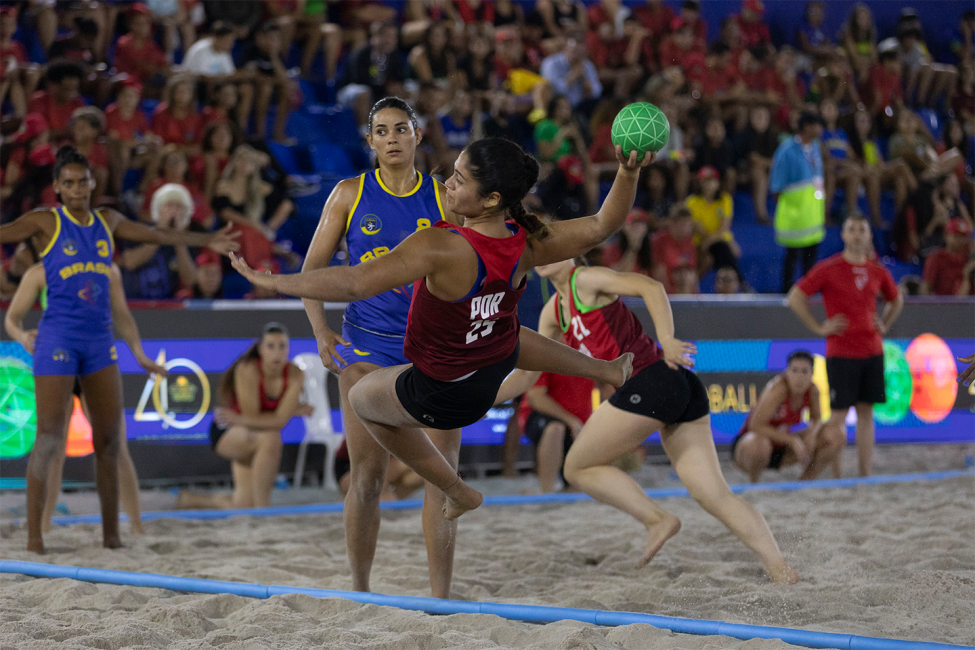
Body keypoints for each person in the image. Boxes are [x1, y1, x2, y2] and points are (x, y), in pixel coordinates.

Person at [293, 98, 635, 599]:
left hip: (436, 348)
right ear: (369, 141)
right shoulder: (349, 195)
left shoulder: (448, 197)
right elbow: (317, 275)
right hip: (367, 343)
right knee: (366, 476)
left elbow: (513, 249)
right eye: (381, 131)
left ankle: (441, 596)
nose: (391, 139)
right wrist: (322, 332)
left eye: (401, 129)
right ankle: (359, 589)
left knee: (443, 475)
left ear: (416, 137)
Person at [230, 135, 651, 527]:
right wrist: (628, 172)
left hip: (443, 394)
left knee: (360, 396)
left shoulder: (439, 245)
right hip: (488, 375)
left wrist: (274, 282)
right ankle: (604, 370)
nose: (446, 182)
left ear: (491, 199)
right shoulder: (526, 240)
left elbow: (353, 283)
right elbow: (602, 225)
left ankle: (458, 490)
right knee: (503, 327)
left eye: (459, 179)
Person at [495, 259, 799, 584]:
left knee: (577, 467)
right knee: (714, 495)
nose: (549, 255)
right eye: (544, 248)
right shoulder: (552, 312)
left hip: (649, 381)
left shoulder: (583, 278)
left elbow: (650, 286)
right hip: (676, 385)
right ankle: (782, 571)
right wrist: (481, 399)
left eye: (556, 247)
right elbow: (527, 375)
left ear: (572, 252)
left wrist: (667, 339)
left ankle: (656, 520)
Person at [0, 146, 238, 553]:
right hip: (57, 340)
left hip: (99, 343)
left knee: (110, 442)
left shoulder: (107, 221)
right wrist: (21, 335)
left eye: (83, 181)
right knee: (50, 440)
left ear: (93, 183)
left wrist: (206, 238)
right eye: (69, 183)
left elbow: (158, 235)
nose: (77, 189)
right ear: (57, 188)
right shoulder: (45, 222)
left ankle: (114, 536)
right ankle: (35, 538)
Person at [5, 262, 167, 534]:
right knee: (52, 450)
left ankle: (137, 527)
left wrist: (139, 354)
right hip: (59, 360)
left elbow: (122, 315)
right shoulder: (42, 272)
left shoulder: (107, 269)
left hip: (95, 361)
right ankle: (43, 526)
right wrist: (22, 335)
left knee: (114, 447)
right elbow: (12, 318)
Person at [787, 213, 903, 477]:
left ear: (869, 236)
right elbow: (795, 297)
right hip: (841, 353)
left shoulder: (877, 271)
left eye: (862, 229)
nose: (857, 234)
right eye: (852, 229)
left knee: (866, 414)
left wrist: (883, 323)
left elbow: (897, 299)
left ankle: (865, 473)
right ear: (843, 235)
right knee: (838, 417)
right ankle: (837, 475)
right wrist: (819, 327)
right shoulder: (829, 268)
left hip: (872, 350)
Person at [203, 323, 312, 508]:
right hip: (226, 428)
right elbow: (262, 419)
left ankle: (191, 500)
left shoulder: (295, 373)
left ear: (289, 349)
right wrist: (289, 411)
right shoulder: (248, 369)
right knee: (271, 438)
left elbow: (279, 421)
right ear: (261, 349)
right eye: (270, 346)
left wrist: (284, 413)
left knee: (243, 504)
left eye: (282, 346)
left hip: (248, 430)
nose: (277, 352)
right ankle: (264, 511)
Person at [732, 350, 845, 483]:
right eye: (794, 370)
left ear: (812, 374)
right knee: (760, 444)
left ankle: (805, 482)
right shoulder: (777, 389)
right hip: (749, 450)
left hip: (781, 449)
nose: (799, 376)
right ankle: (754, 483)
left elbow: (817, 418)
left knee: (836, 433)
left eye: (804, 371)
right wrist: (793, 440)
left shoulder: (812, 390)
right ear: (786, 372)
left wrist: (812, 434)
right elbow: (755, 425)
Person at [770, 111, 825, 293]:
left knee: (810, 258)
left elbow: (817, 178)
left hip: (813, 214)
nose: (820, 129)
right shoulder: (786, 150)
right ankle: (787, 294)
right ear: (807, 127)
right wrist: (791, 207)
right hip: (795, 216)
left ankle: (807, 293)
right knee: (791, 257)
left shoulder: (816, 147)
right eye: (817, 125)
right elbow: (776, 186)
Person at [518, 371, 594, 493]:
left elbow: (608, 386)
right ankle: (546, 490)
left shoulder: (595, 353)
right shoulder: (546, 354)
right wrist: (571, 421)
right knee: (555, 428)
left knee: (576, 488)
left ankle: (562, 486)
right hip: (544, 416)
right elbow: (535, 397)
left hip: (578, 424)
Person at [923, 218, 974, 296]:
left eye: (963, 237)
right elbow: (926, 287)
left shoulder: (969, 259)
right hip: (944, 305)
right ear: (946, 235)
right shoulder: (936, 257)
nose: (961, 240)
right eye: (956, 236)